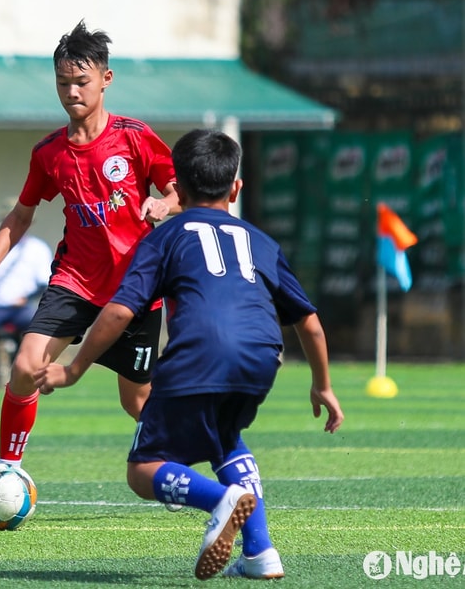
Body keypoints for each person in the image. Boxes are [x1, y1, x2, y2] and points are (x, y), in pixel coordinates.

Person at [33, 129, 345, 580]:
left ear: (175, 188)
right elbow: (309, 322)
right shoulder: (261, 241)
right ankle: (260, 552)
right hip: (262, 356)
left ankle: (221, 500)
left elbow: (119, 311)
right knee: (225, 438)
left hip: (199, 352)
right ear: (236, 188)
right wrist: (323, 385)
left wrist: (74, 369)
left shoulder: (164, 238)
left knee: (143, 470)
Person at [0, 20, 178, 467]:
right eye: (63, 83)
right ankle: (8, 472)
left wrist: (163, 204)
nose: (72, 92)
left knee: (136, 401)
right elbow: (20, 216)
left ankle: (176, 469)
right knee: (25, 368)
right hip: (74, 282)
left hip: (135, 288)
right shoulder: (49, 152)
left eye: (82, 81)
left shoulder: (134, 137)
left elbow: (181, 192)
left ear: (106, 79)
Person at [0, 199, 53, 395]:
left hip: (22, 307)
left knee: (39, 325)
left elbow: (44, 284)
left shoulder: (38, 248)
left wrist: (26, 298)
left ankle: (36, 374)